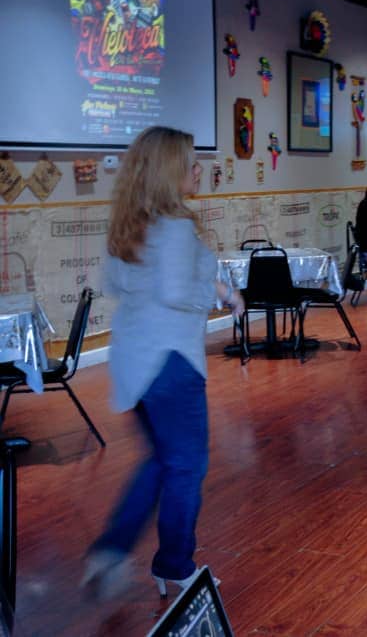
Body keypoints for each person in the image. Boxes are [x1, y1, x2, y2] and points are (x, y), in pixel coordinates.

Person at [82, 126, 244, 598]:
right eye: (191, 162)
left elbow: (123, 284)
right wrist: (221, 295)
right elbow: (175, 292)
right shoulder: (175, 226)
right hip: (171, 361)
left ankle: (112, 549)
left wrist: (214, 288)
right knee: (187, 466)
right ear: (170, 171)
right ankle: (174, 563)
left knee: (162, 460)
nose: (199, 169)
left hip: (133, 359)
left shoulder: (131, 223)